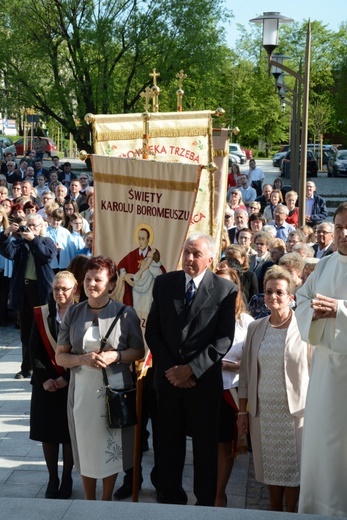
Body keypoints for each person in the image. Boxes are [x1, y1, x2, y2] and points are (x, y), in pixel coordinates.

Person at [145, 233, 238, 506]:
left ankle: (205, 502)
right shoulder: (164, 284)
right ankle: (170, 496)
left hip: (203, 384)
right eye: (186, 252)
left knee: (204, 447)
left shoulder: (224, 290)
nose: (189, 258)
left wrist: (192, 370)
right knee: (167, 445)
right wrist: (173, 371)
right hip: (168, 381)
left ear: (210, 259)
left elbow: (222, 339)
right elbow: (153, 332)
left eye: (196, 254)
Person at [56, 256, 145, 501]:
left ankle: (106, 503)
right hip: (82, 392)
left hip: (114, 392)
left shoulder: (126, 314)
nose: (91, 284)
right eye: (87, 279)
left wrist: (115, 356)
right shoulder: (73, 312)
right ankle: (88, 502)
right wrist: (83, 359)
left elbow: (139, 351)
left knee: (109, 449)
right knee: (85, 448)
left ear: (112, 284)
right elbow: (60, 357)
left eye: (98, 279)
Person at [238, 266, 310, 512]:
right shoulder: (255, 327)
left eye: (279, 292)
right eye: (269, 292)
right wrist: (242, 411)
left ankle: (291, 514)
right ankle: (273, 512)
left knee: (293, 469)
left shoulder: (305, 327)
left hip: (295, 412)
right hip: (264, 412)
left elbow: (314, 368)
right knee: (270, 468)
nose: (273, 297)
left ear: (291, 296)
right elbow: (246, 372)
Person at [296, 202, 347, 516]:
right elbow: (302, 299)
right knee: (325, 451)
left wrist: (339, 311)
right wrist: (314, 313)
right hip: (326, 375)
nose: (344, 233)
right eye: (339, 227)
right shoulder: (325, 266)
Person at [29, 271, 77, 499]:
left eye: (65, 289)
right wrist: (45, 379)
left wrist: (66, 378)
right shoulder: (42, 313)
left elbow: (86, 351)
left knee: (68, 434)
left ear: (75, 289)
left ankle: (67, 477)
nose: (60, 293)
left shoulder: (83, 314)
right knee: (48, 433)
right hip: (45, 384)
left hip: (73, 382)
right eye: (56, 288)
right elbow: (33, 351)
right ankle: (52, 477)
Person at [214, 266, 254, 507]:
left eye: (228, 286)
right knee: (204, 444)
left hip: (231, 392)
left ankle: (220, 493)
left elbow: (253, 358)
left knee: (223, 445)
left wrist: (237, 366)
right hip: (205, 388)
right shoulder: (201, 315)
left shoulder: (246, 322)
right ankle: (205, 490)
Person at [0, 213, 57, 378]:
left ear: (41, 227)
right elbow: (7, 252)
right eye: (29, 225)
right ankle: (27, 367)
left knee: (45, 329)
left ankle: (47, 365)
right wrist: (6, 233)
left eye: (35, 226)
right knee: (26, 331)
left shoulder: (47, 241)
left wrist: (34, 240)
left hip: (41, 291)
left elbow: (47, 255)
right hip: (24, 290)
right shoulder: (20, 242)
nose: (31, 228)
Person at [117, 227, 166, 307]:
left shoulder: (153, 255)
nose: (140, 242)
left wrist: (149, 267)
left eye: (143, 239)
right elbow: (121, 265)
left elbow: (162, 273)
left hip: (147, 296)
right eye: (139, 239)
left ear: (148, 240)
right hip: (133, 294)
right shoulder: (133, 254)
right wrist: (125, 276)